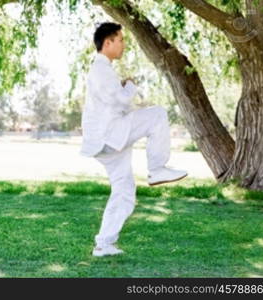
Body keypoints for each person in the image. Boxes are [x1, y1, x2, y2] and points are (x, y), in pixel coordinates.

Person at [80, 22, 188, 257]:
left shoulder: (102, 70)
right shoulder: (100, 69)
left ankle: (104, 244)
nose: (124, 44)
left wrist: (123, 86)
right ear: (107, 42)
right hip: (110, 134)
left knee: (124, 191)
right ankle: (157, 169)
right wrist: (130, 86)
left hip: (107, 141)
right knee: (158, 114)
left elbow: (110, 98)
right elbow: (120, 101)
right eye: (120, 40)